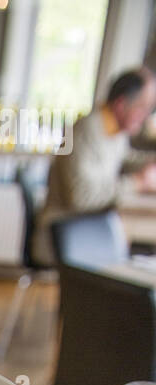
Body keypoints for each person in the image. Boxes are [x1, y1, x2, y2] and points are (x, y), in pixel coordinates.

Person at [33, 67, 156, 265]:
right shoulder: (85, 131)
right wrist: (136, 183)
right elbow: (81, 197)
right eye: (143, 107)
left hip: (89, 229)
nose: (146, 117)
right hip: (66, 232)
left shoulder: (115, 131)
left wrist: (148, 164)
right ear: (121, 104)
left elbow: (125, 161)